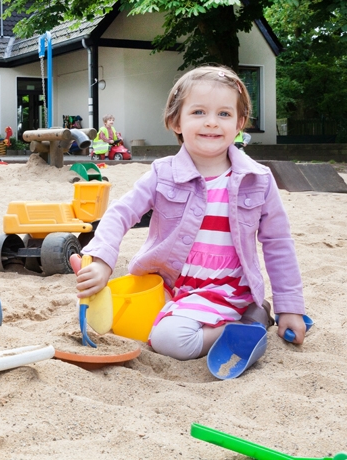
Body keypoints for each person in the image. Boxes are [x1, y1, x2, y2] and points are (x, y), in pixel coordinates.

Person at [75, 66, 307, 361]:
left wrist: (290, 308)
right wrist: (102, 261)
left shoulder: (257, 180)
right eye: (198, 112)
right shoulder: (163, 173)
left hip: (225, 289)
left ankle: (249, 321)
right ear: (176, 121)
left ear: (240, 123)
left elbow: (278, 244)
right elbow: (121, 213)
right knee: (116, 322)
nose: (211, 123)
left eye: (224, 114)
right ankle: (240, 317)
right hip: (169, 285)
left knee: (170, 340)